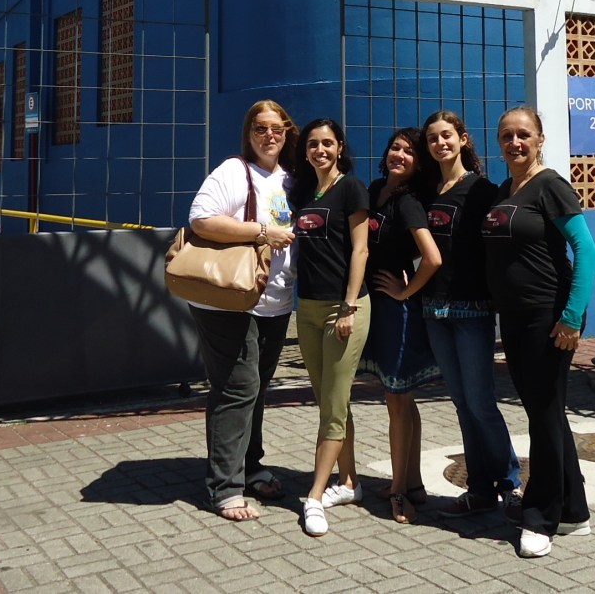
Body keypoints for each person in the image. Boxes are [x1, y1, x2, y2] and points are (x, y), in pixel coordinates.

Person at [484, 106, 595, 558]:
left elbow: (586, 250)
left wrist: (571, 317)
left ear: (540, 139)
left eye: (523, 134)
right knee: (545, 413)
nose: (515, 142)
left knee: (544, 414)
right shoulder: (505, 190)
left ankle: (540, 517)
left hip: (549, 318)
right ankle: (573, 510)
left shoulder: (550, 185)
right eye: (507, 136)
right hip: (515, 319)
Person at [187, 100, 298, 522]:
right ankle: (224, 488)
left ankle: (251, 467)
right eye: (260, 128)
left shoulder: (290, 178)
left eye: (276, 128)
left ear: (287, 132)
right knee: (237, 388)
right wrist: (262, 231)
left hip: (274, 301)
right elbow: (201, 220)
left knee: (256, 388)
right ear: (248, 133)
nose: (269, 136)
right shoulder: (234, 171)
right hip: (228, 300)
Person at [420, 109, 521, 517]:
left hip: (472, 310)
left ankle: (510, 484)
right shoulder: (426, 191)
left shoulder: (483, 190)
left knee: (481, 402)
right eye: (433, 138)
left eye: (447, 135)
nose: (440, 143)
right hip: (434, 310)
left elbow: (497, 247)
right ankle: (479, 489)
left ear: (463, 139)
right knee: (462, 403)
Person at [288, 118, 371, 537]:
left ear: (340, 147)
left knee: (333, 406)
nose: (320, 150)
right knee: (330, 401)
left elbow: (360, 249)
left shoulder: (351, 188)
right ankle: (350, 483)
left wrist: (349, 305)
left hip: (344, 308)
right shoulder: (305, 193)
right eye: (312, 144)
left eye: (327, 143)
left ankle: (315, 496)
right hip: (307, 308)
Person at [360, 127, 442, 524]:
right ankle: (412, 482)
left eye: (410, 152)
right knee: (402, 400)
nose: (400, 155)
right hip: (378, 307)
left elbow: (433, 258)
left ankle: (398, 492)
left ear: (418, 164)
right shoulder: (377, 189)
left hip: (397, 311)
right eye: (396, 147)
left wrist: (405, 292)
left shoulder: (408, 202)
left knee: (397, 399)